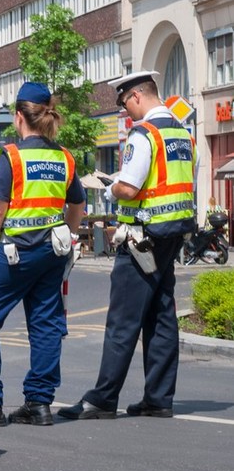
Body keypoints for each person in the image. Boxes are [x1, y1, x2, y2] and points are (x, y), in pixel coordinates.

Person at [59, 71, 196, 421]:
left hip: (141, 239)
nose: (125, 112)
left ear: (135, 96)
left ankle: (103, 399)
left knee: (122, 320)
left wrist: (112, 187)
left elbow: (131, 187)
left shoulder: (144, 134)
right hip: (171, 235)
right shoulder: (183, 134)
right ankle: (159, 398)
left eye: (124, 104)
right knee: (162, 316)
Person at [0, 82, 86, 427]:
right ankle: (38, 404)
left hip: (14, 253)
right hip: (52, 253)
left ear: (19, 117)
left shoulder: (12, 155)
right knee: (47, 324)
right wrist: (69, 233)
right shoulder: (63, 156)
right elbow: (78, 203)